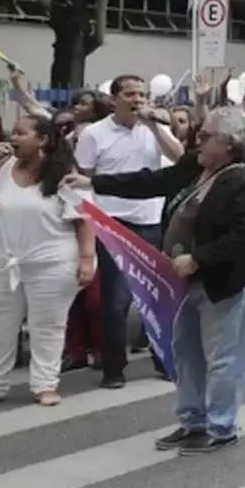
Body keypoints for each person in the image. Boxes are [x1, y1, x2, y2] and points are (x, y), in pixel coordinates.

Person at [65, 107, 245, 454]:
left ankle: (222, 427)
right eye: (200, 133)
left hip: (225, 278)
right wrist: (94, 182)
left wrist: (198, 258)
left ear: (231, 145)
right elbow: (151, 181)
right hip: (185, 277)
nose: (198, 140)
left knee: (223, 356)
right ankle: (193, 422)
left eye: (207, 136)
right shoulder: (197, 168)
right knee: (187, 350)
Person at [74, 74, 179, 388]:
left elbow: (178, 158)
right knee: (116, 300)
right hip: (113, 223)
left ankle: (163, 360)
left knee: (154, 296)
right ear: (114, 99)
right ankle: (114, 369)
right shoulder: (94, 134)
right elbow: (85, 179)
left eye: (142, 94)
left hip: (151, 222)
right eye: (131, 94)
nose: (138, 100)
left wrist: (156, 127)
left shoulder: (155, 128)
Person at [0, 116, 94, 405]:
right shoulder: (4, 167)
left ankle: (44, 385)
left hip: (53, 263)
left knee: (47, 325)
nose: (13, 137)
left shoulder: (65, 175)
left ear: (42, 140)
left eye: (21, 133)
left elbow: (85, 221)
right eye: (14, 132)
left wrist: (86, 259)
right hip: (1, 260)